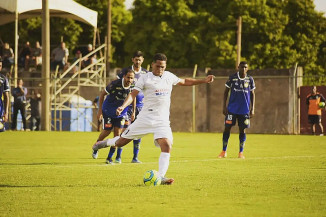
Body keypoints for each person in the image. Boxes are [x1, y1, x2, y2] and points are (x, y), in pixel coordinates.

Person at [92, 53, 215, 184]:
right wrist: (123, 106)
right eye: (158, 66)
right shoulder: (145, 78)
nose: (160, 69)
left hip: (162, 120)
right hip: (145, 118)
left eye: (162, 67)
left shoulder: (168, 76)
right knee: (120, 142)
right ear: (152, 65)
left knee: (166, 145)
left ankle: (161, 177)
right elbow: (132, 95)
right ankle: (103, 144)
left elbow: (184, 81)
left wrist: (204, 80)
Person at [92, 69, 135, 164]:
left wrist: (133, 111)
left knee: (117, 135)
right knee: (107, 131)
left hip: (121, 112)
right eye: (128, 77)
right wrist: (100, 111)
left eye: (132, 78)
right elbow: (102, 94)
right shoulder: (115, 84)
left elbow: (133, 97)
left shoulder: (133, 85)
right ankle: (96, 146)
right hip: (108, 109)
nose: (130, 80)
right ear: (124, 76)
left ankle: (109, 158)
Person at [115, 50, 148, 163]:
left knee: (138, 132)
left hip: (141, 107)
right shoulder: (126, 71)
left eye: (140, 59)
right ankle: (118, 157)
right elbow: (118, 84)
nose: (138, 61)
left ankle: (135, 157)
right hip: (128, 106)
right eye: (136, 59)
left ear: (142, 60)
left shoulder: (146, 73)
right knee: (124, 131)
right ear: (132, 59)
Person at [218, 61, 255, 159]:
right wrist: (224, 106)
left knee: (242, 130)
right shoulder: (232, 78)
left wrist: (252, 108)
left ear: (247, 69)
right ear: (238, 67)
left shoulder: (250, 79)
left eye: (245, 67)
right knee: (227, 128)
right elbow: (226, 92)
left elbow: (252, 94)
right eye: (242, 67)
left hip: (244, 110)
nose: (243, 69)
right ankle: (223, 151)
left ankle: (241, 152)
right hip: (232, 109)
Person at [0, 57, 10, 132]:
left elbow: (6, 96)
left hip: (0, 108)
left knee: (1, 129)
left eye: (0, 66)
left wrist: (6, 112)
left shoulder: (3, 79)